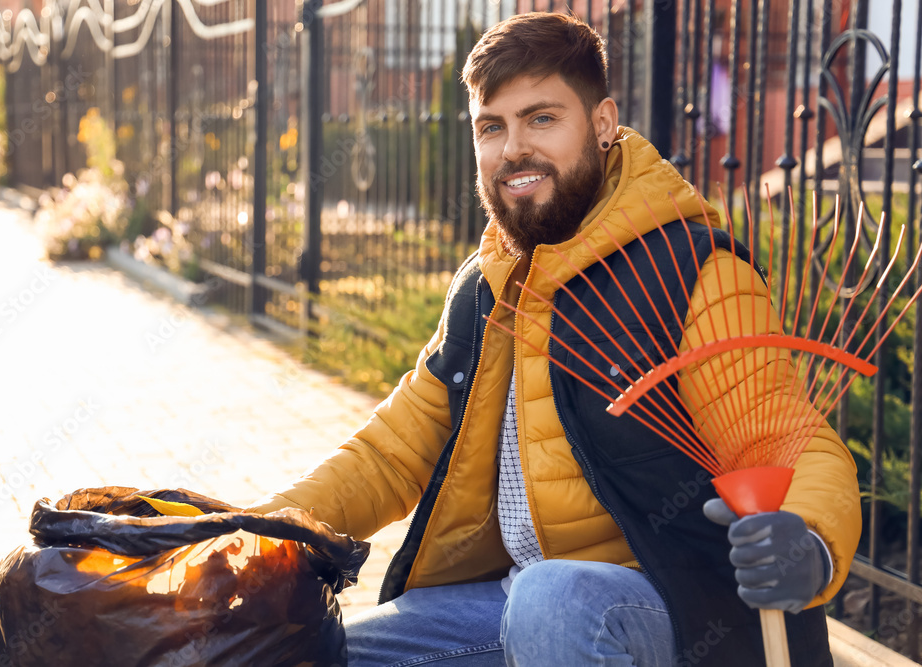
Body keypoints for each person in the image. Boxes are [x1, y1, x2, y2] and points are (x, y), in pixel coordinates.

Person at [247, 12, 861, 666]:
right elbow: (390, 453)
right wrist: (248, 534)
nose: (514, 148)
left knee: (554, 596)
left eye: (542, 119)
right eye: (493, 126)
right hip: (520, 605)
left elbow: (791, 439)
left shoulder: (692, 271)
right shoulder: (488, 288)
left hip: (687, 608)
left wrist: (812, 542)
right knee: (316, 650)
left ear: (600, 124)